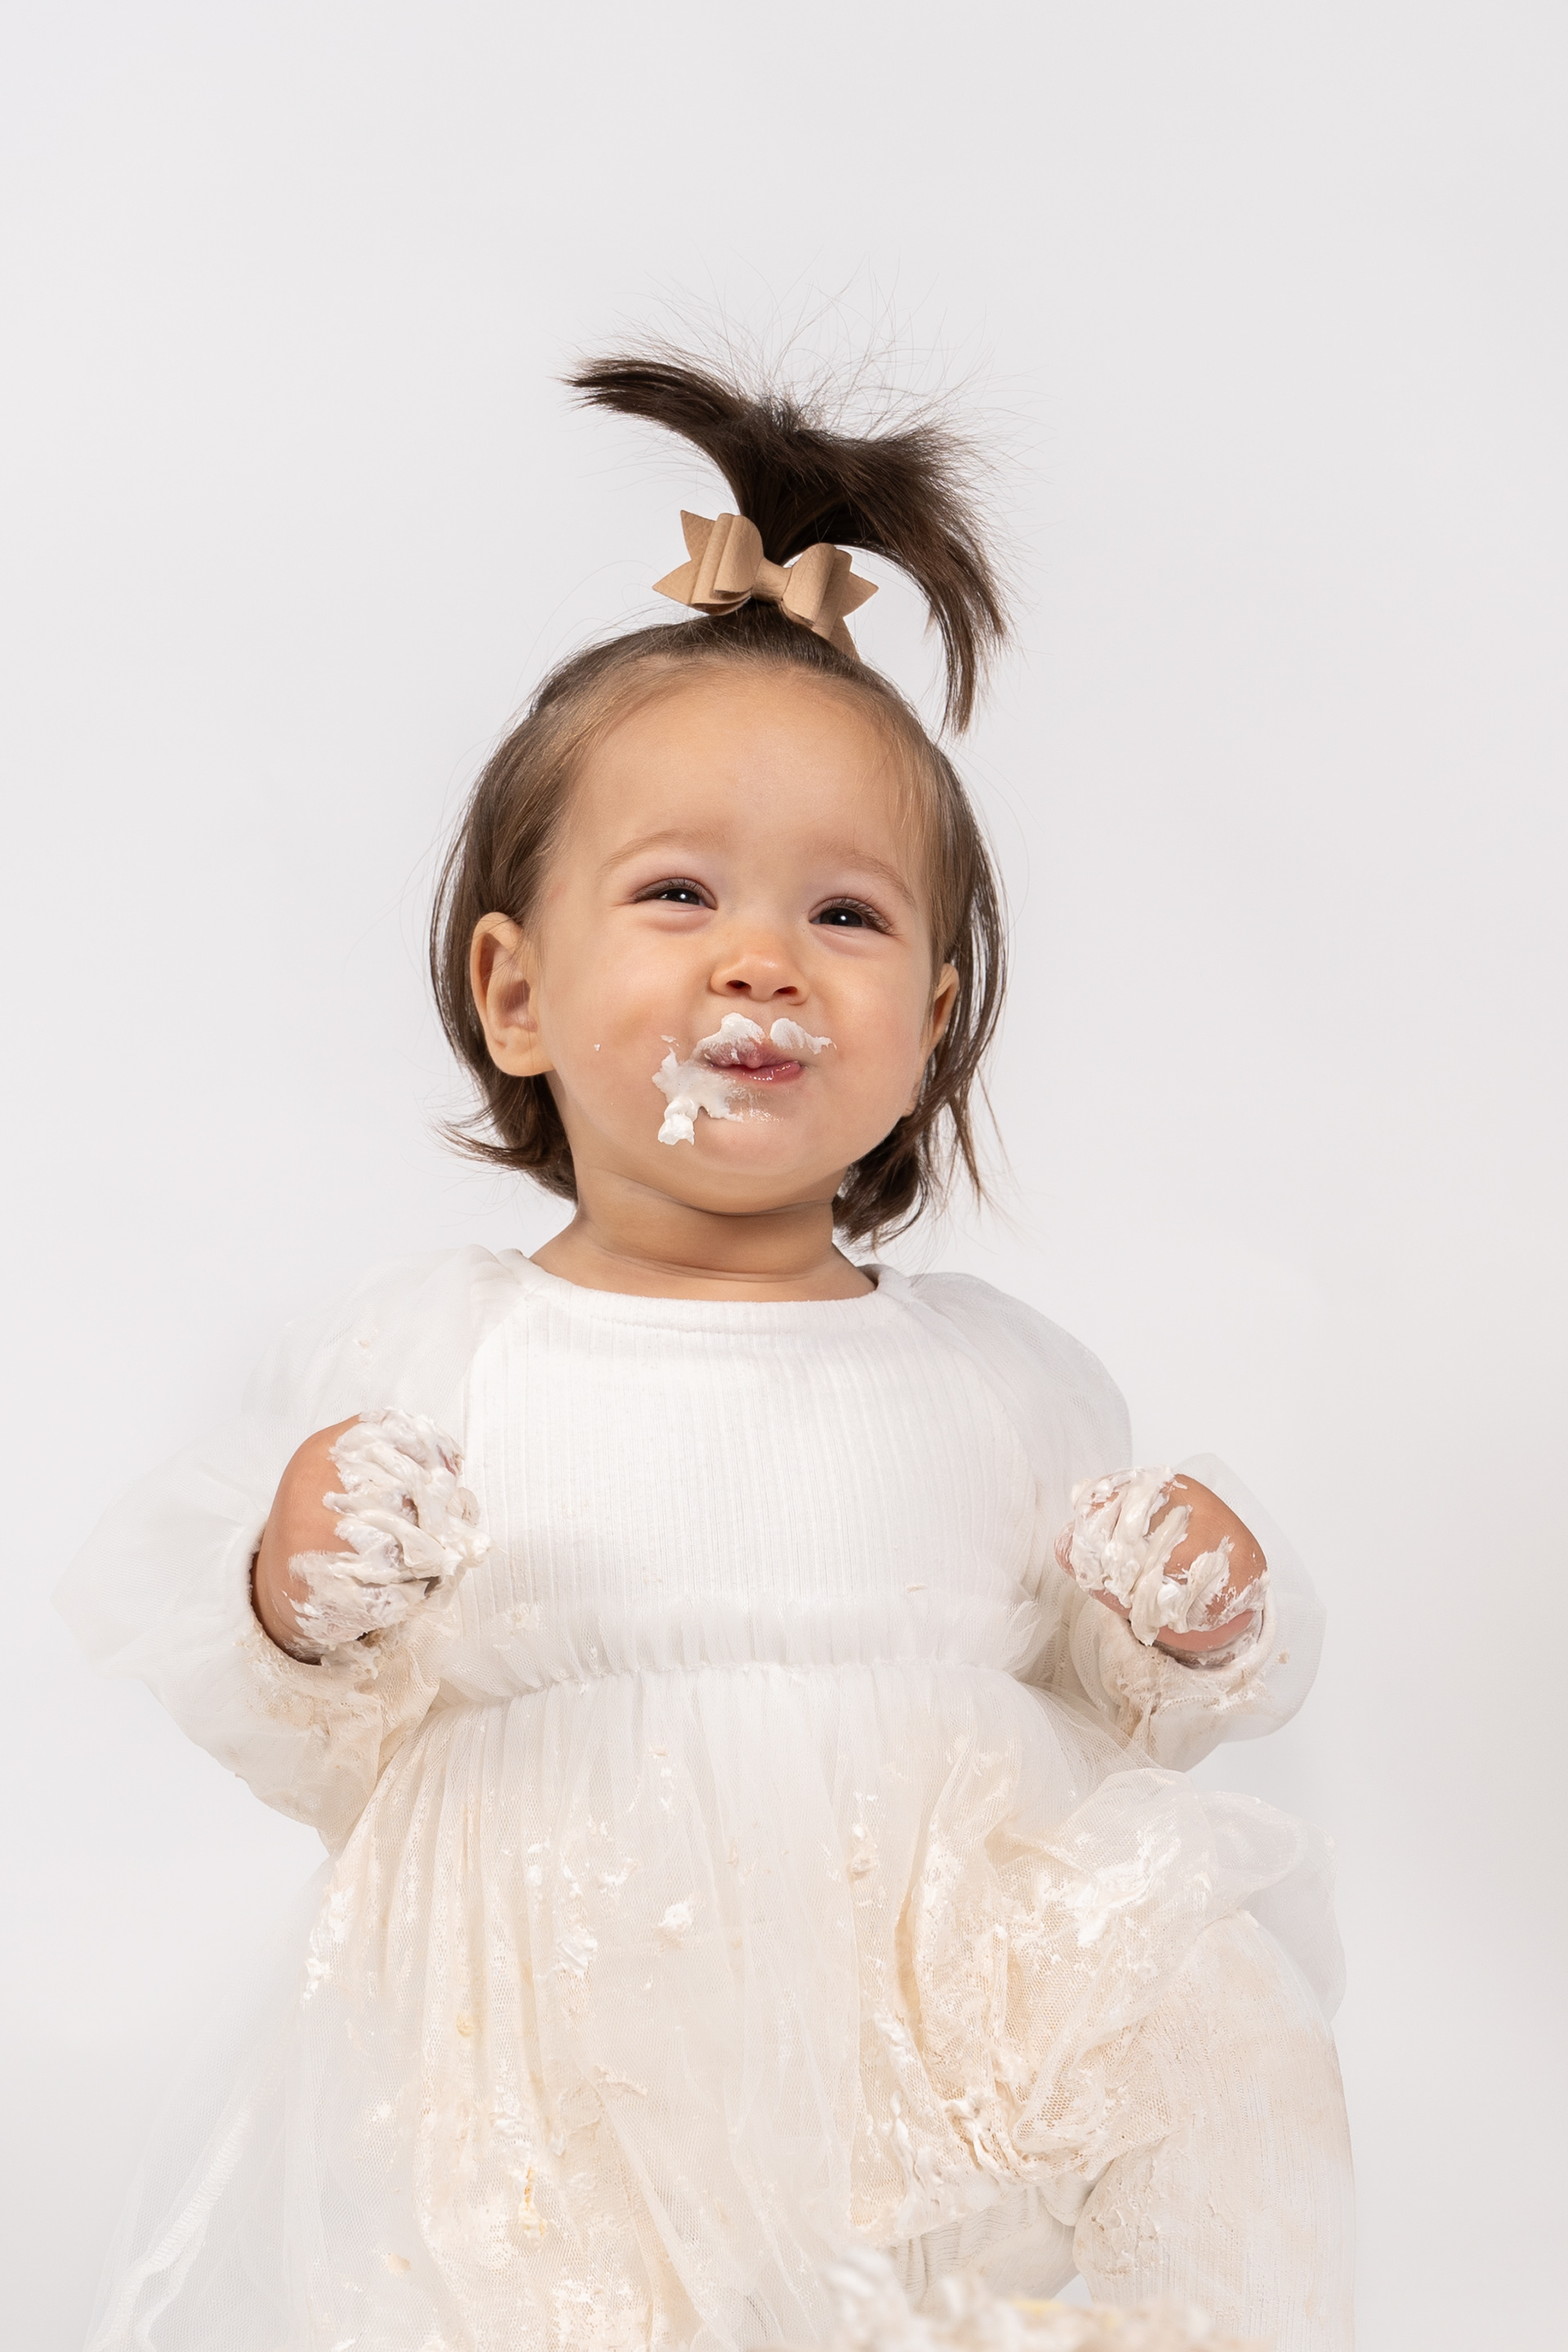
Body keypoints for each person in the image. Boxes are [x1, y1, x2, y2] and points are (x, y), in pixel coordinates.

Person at [58, 352, 1354, 2352]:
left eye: (845, 917)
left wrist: (1180, 1616)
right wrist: (305, 1578)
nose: (761, 960)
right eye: (678, 893)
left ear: (931, 1027)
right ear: (514, 991)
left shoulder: (1001, 1378)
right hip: (559, 2077)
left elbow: (1102, 1729)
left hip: (920, 2072)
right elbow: (287, 1685)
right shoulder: (443, 1349)